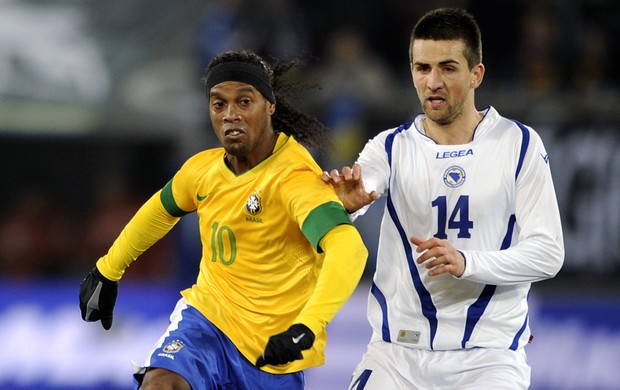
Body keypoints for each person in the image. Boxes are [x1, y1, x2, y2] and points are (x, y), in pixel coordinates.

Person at [79, 48, 368, 390]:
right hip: (207, 322)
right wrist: (108, 269)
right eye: (219, 104)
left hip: (272, 352)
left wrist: (308, 325)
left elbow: (349, 247)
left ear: (269, 105)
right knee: (161, 383)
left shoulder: (295, 178)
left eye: (244, 102)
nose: (230, 115)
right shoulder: (203, 170)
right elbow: (161, 209)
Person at [322, 8, 564, 389]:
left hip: (488, 358)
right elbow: (357, 190)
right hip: (396, 357)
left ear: (476, 75)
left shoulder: (519, 145)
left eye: (448, 68)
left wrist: (467, 262)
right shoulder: (388, 147)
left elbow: (548, 253)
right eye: (422, 68)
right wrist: (345, 207)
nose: (433, 82)